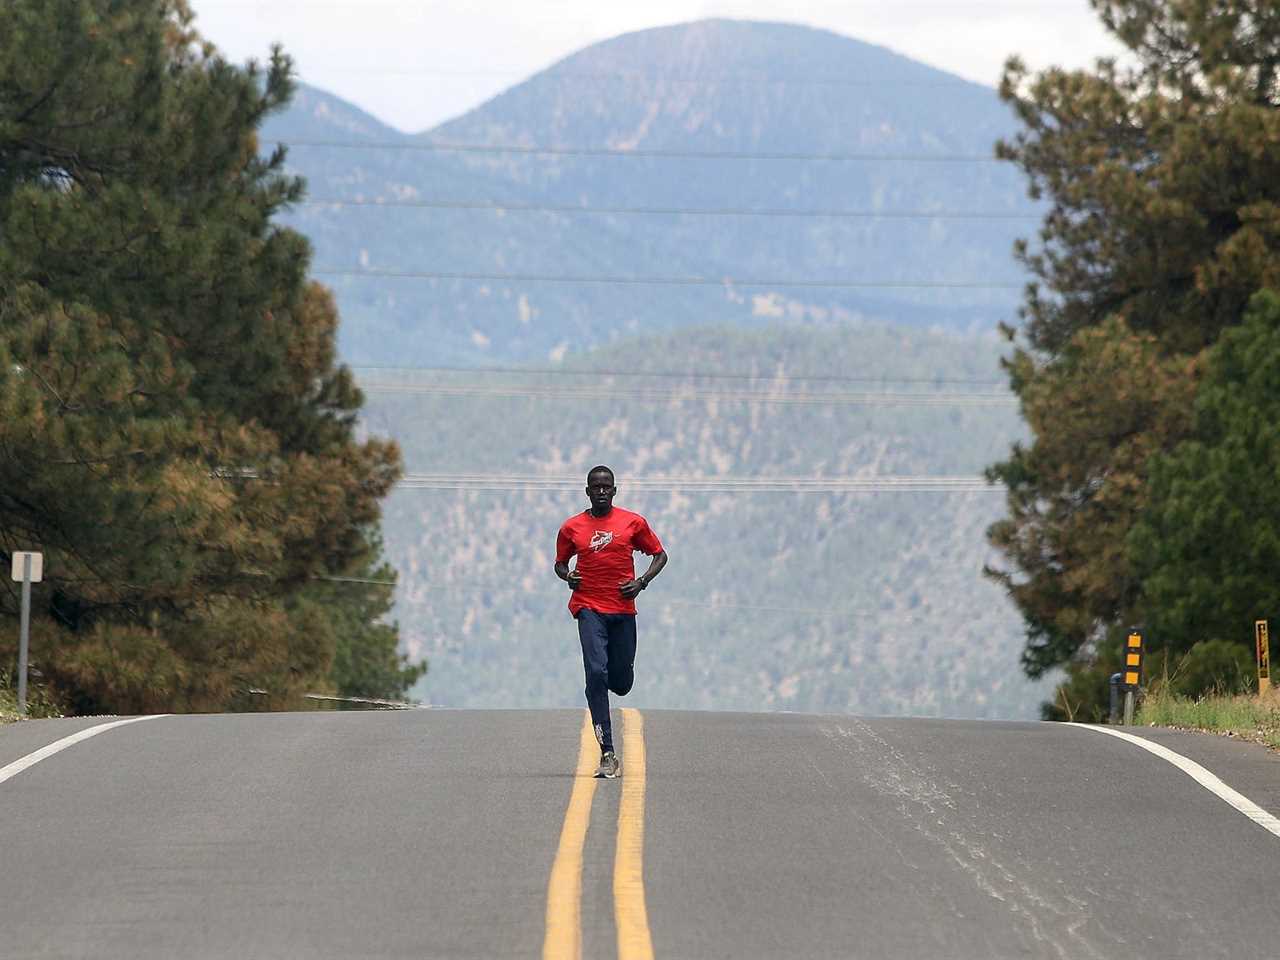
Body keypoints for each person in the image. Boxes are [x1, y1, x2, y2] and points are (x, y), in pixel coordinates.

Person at [555, 465, 667, 779]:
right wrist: (569, 576)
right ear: (588, 491)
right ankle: (607, 752)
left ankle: (617, 680)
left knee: (620, 682)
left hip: (622, 611)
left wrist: (641, 582)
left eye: (607, 487)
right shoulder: (571, 528)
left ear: (614, 491)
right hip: (589, 608)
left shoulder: (632, 522)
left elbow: (660, 555)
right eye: (596, 487)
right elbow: (560, 564)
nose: (601, 491)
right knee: (595, 673)